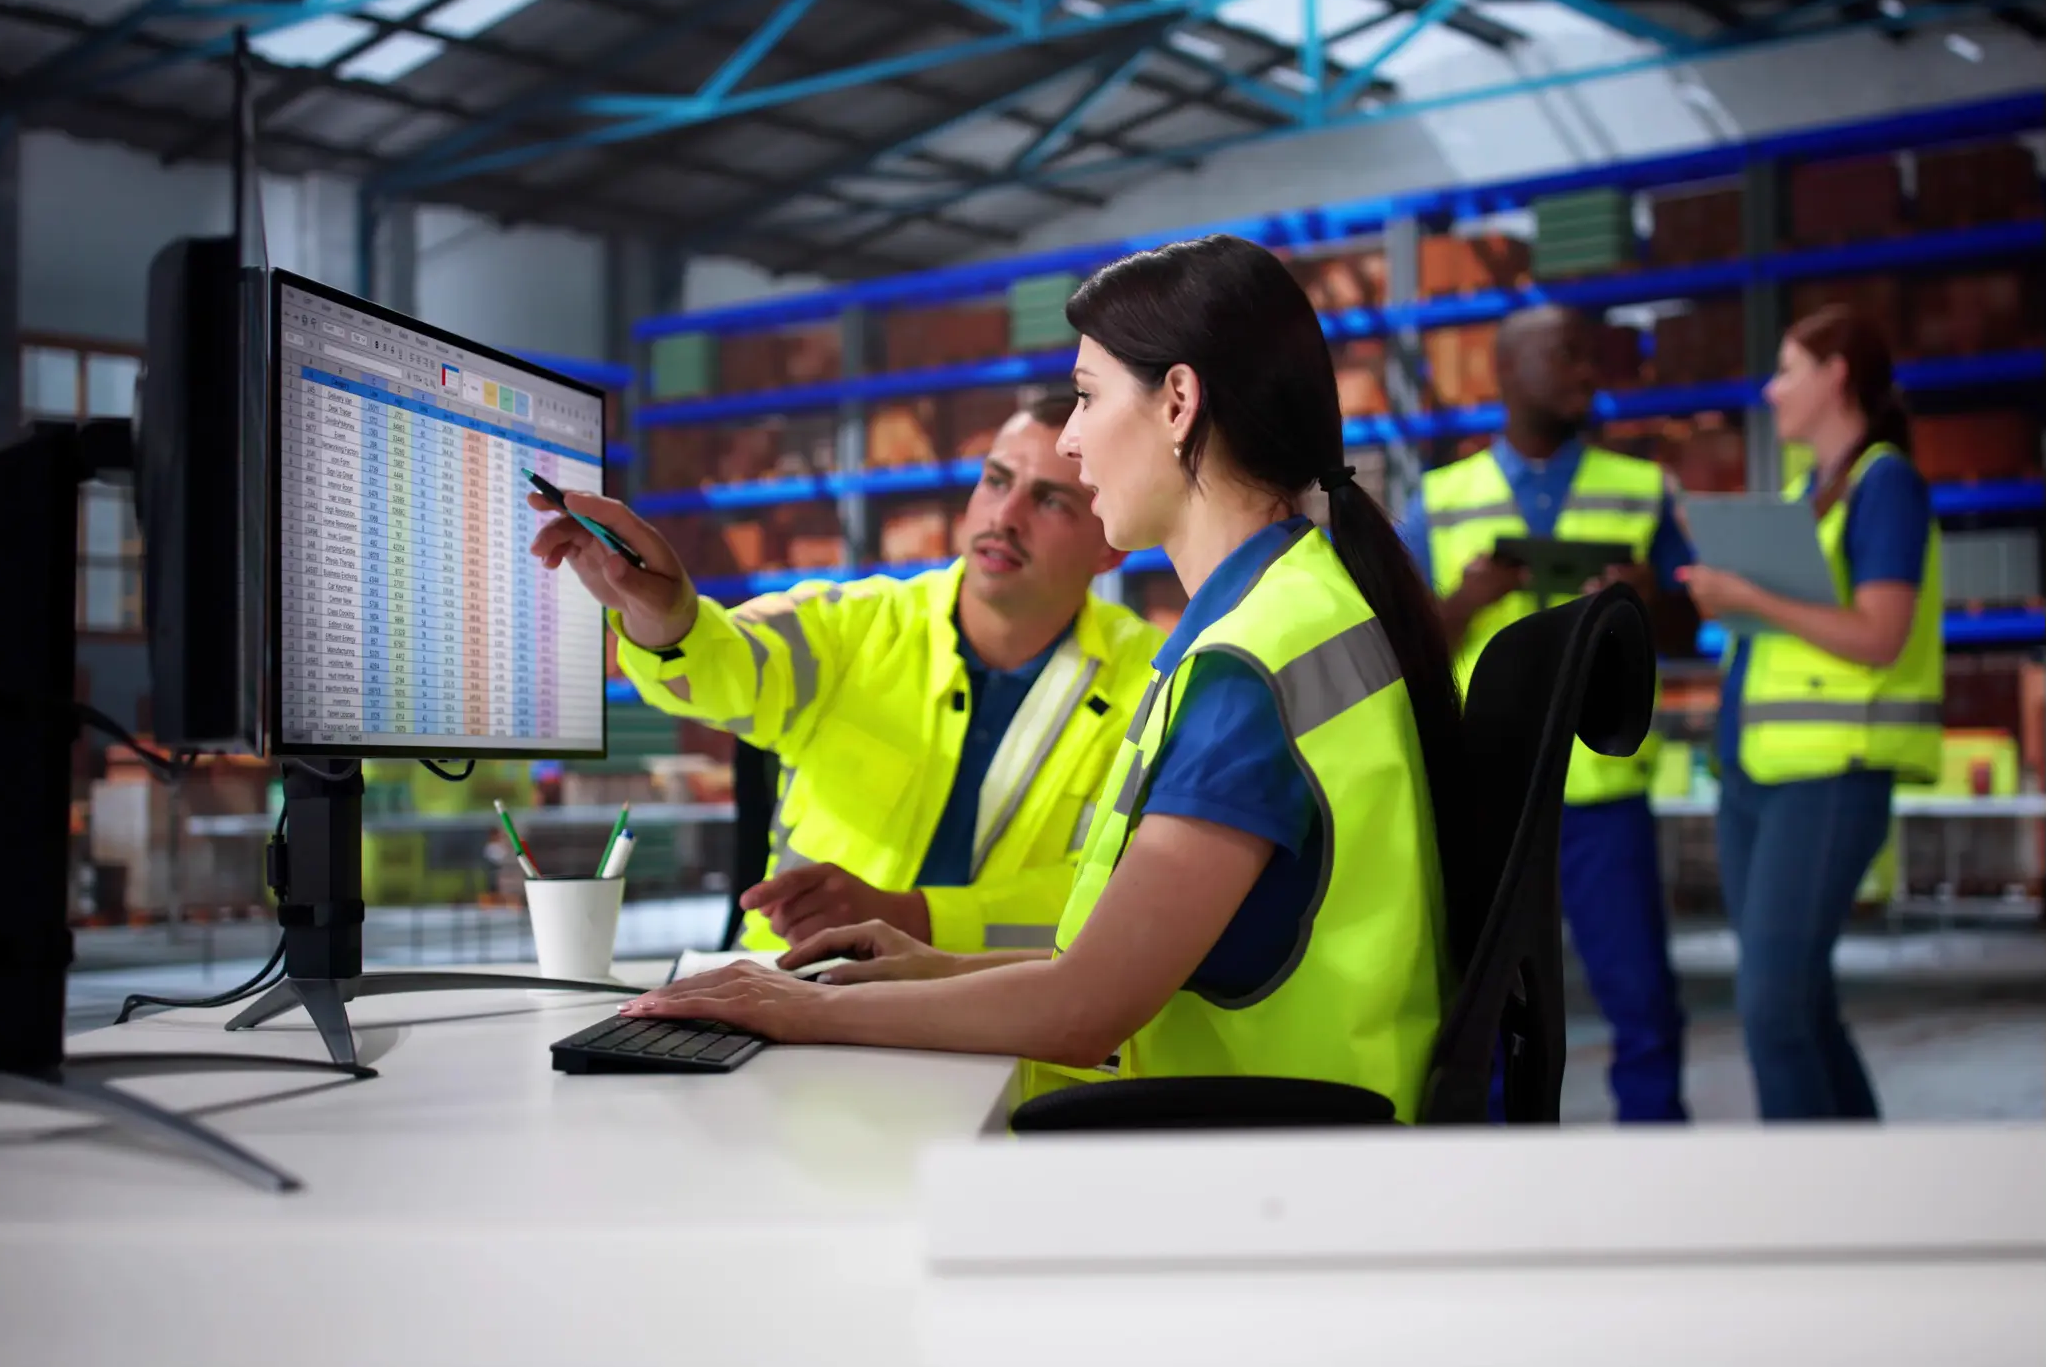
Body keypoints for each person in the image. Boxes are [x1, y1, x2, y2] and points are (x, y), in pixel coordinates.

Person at [615, 234, 1478, 1122]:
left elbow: (1085, 1009)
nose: (1071, 438)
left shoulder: (1247, 665)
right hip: (1288, 1137)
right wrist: (934, 966)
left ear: (1177, 402)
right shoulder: (1289, 614)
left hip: (1264, 1167)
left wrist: (804, 1008)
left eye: (1086, 396)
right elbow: (1118, 964)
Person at [528, 396, 1162, 955]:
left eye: (1051, 500)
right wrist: (667, 617)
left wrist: (918, 919)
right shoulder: (852, 626)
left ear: (1110, 544)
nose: (1007, 516)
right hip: (790, 989)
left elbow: (1114, 894)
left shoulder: (1154, 681)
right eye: (996, 482)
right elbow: (724, 665)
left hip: (1000, 1023)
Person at [1396, 304, 1690, 1124]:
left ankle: (1660, 1164)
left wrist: (1643, 601)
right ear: (1507, 373)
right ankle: (1495, 1177)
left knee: (1641, 1000)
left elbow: (1692, 621)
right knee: (1487, 1006)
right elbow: (1406, 643)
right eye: (1566, 356)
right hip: (1490, 794)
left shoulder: (1641, 490)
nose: (1585, 373)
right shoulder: (1440, 500)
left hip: (1602, 793)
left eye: (1586, 356)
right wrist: (1468, 598)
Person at [1679, 305, 1942, 1121]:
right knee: (1802, 1008)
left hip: (1831, 778)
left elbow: (1879, 635)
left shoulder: (1883, 485)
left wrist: (1746, 595)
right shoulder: (1806, 497)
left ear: (1835, 377)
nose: (1770, 388)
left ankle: (1808, 1206)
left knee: (1773, 1011)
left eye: (1787, 368)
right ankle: (1868, 1190)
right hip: (1758, 777)